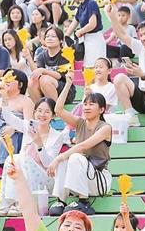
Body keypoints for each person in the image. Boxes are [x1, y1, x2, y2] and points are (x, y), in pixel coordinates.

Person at [48, 73, 112, 216]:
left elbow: (82, 146)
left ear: (101, 109)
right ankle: (61, 200)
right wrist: (68, 85)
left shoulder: (105, 128)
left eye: (91, 104)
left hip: (99, 180)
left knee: (75, 156)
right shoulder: (79, 123)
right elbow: (58, 110)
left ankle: (84, 202)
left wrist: (58, 158)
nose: (87, 107)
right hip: (82, 176)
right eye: (85, 104)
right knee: (67, 159)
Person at [28, 26, 75, 103]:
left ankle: (54, 108)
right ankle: (40, 107)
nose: (49, 38)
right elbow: (36, 74)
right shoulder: (41, 56)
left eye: (53, 36)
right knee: (32, 82)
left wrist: (43, 70)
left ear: (60, 40)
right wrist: (28, 57)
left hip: (65, 90)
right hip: (45, 88)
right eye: (47, 36)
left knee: (45, 79)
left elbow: (60, 76)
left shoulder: (66, 55)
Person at [65, 0, 104, 66]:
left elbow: (92, 24)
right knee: (88, 66)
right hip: (86, 40)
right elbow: (74, 22)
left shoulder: (91, 3)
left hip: (95, 40)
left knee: (96, 65)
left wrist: (80, 31)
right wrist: (66, 36)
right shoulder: (81, 6)